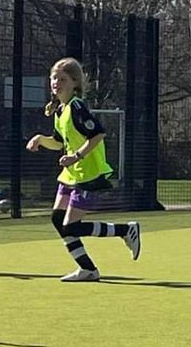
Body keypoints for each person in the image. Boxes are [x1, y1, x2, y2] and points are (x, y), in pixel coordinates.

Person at [26, 56, 141, 281]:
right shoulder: (61, 110)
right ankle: (88, 269)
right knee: (58, 220)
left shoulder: (77, 106)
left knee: (71, 226)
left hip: (89, 173)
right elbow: (59, 142)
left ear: (74, 83)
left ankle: (125, 231)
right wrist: (40, 139)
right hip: (71, 174)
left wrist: (76, 156)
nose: (56, 82)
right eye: (53, 78)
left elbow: (97, 134)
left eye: (62, 78)